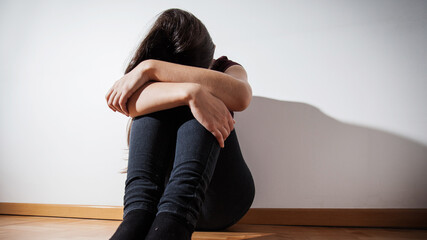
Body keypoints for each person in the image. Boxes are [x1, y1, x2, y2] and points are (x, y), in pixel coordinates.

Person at [105, 8, 255, 240]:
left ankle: (171, 225)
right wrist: (189, 92)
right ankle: (136, 219)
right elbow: (127, 104)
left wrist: (150, 67)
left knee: (209, 100)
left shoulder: (224, 68)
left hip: (220, 201)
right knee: (153, 109)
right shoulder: (144, 81)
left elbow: (241, 96)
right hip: (155, 207)